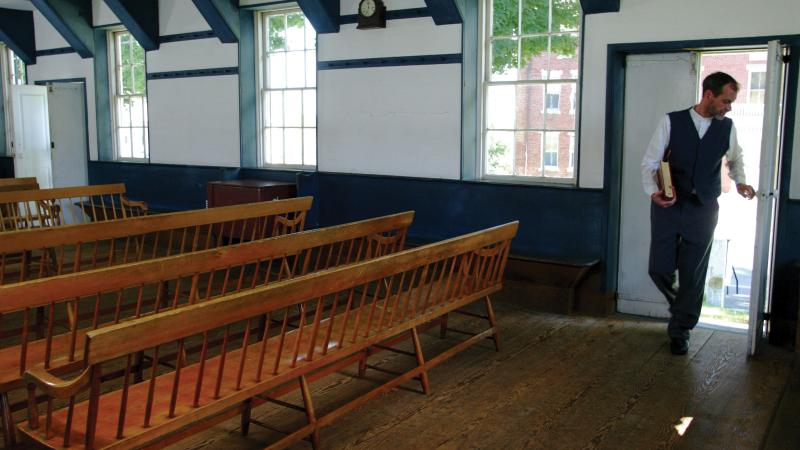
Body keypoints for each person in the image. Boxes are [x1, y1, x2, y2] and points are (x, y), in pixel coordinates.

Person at [641, 71, 756, 355]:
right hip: (668, 205)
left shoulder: (727, 127)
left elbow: (736, 159)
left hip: (703, 209)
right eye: (725, 101)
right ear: (708, 95)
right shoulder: (672, 121)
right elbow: (650, 161)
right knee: (659, 268)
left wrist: (740, 182)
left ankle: (681, 330)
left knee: (693, 273)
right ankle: (683, 306)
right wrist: (652, 192)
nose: (729, 107)